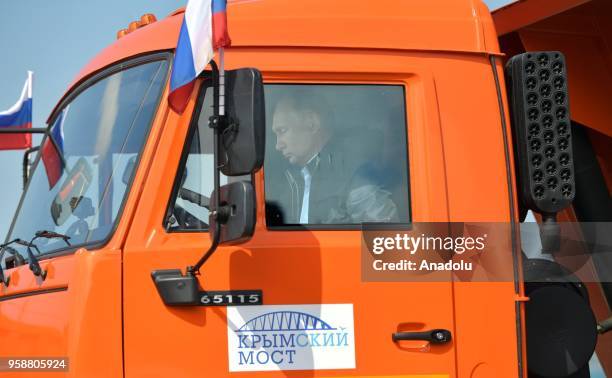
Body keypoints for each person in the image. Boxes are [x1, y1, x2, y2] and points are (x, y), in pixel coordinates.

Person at [268, 91, 398, 225]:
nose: (278, 145)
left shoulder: (354, 174)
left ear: (311, 123)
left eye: (282, 131)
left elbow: (385, 239)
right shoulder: (288, 180)